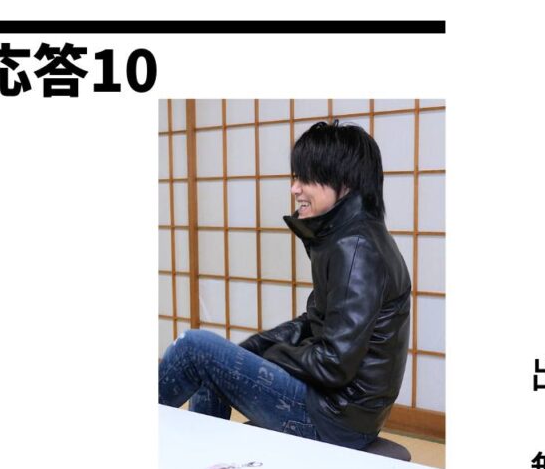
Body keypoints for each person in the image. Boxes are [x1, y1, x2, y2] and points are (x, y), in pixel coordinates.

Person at [158, 120, 412, 450]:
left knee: (194, 347)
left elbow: (334, 363)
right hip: (341, 411)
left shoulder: (356, 248)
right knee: (213, 363)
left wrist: (270, 355)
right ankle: (201, 459)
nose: (294, 188)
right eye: (295, 177)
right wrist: (253, 348)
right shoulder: (349, 235)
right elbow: (314, 321)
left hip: (333, 419)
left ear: (345, 182)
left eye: (306, 178)